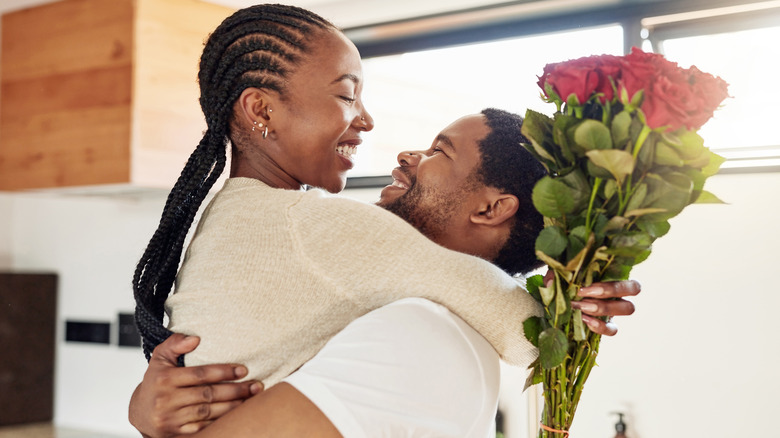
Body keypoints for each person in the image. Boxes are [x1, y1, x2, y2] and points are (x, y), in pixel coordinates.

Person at [130, 4, 638, 436]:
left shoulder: (259, 218)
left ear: (491, 209)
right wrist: (572, 306)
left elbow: (481, 298)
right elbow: (527, 333)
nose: (369, 120)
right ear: (261, 110)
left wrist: (573, 296)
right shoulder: (309, 226)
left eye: (439, 152)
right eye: (346, 95)